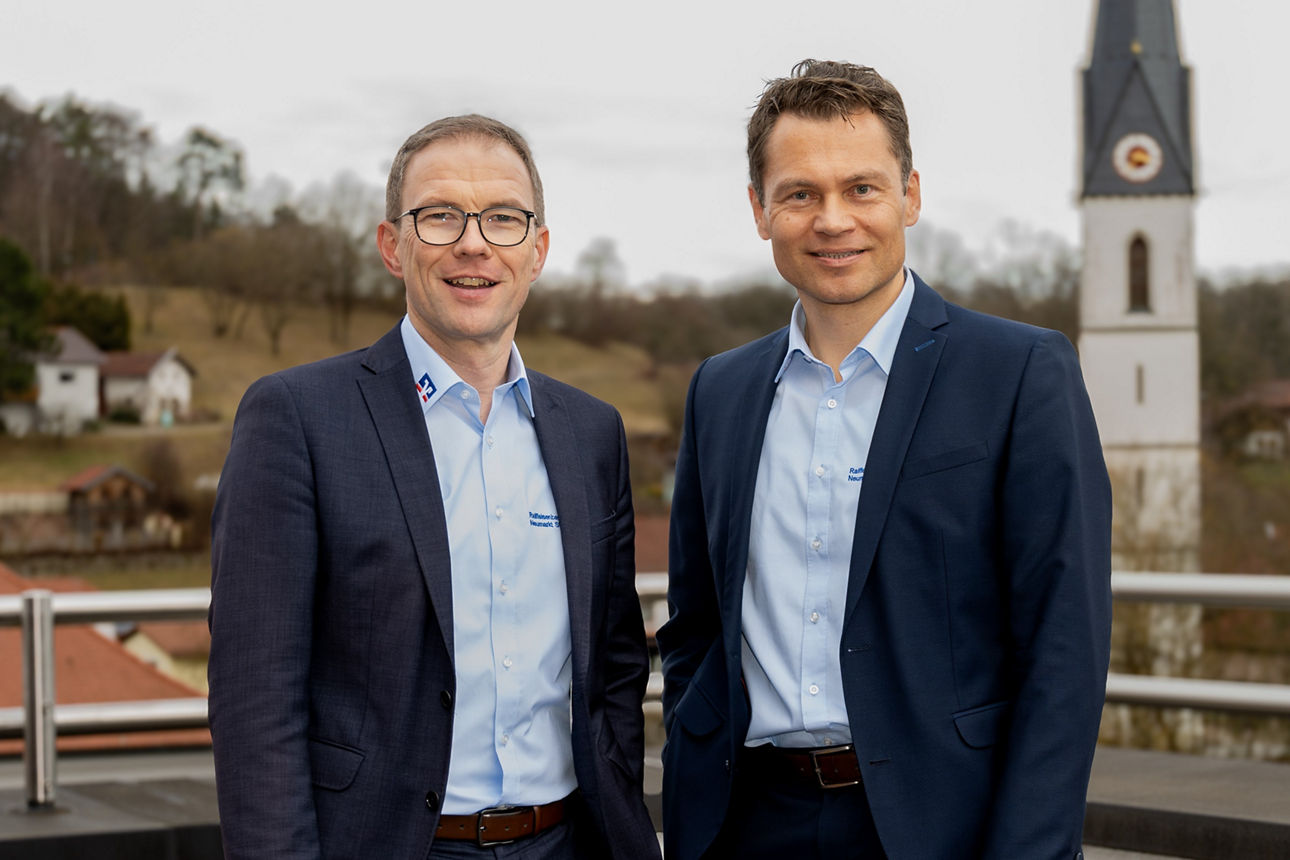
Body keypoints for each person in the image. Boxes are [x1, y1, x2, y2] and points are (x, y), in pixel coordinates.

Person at [657, 60, 1112, 860]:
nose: (833, 219)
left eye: (861, 188)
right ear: (761, 211)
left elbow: (1064, 649)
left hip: (945, 828)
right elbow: (695, 621)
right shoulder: (719, 391)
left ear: (910, 195)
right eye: (800, 193)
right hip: (743, 824)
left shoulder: (1019, 373)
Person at [209, 114, 660, 860]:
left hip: (567, 841)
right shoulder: (297, 417)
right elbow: (257, 696)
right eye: (441, 216)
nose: (474, 243)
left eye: (504, 219)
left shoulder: (591, 433)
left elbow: (614, 667)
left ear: (538, 249)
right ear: (394, 245)